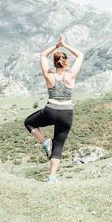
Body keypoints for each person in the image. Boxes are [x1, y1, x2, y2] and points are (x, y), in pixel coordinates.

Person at [24, 34, 84, 182]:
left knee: (29, 122)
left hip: (50, 110)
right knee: (59, 145)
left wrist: (57, 46)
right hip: (66, 113)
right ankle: (52, 178)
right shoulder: (70, 76)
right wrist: (65, 45)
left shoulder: (48, 75)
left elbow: (43, 54)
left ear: (54, 62)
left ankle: (45, 142)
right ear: (66, 63)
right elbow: (80, 55)